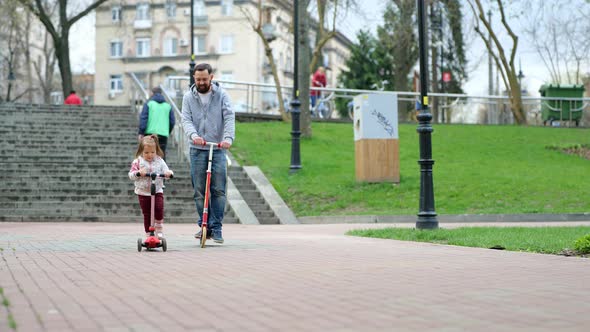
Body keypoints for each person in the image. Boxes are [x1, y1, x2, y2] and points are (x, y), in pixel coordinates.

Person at [181, 63, 235, 244]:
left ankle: (216, 227)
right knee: (199, 191)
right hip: (197, 149)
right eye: (198, 79)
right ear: (194, 78)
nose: (201, 82)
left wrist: (228, 138)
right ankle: (204, 225)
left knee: (218, 190)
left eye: (204, 79)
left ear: (211, 77)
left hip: (218, 148)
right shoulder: (189, 97)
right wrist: (193, 135)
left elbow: (229, 117)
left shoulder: (222, 95)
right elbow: (186, 119)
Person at [128, 135, 173, 238]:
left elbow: (166, 170)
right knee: (147, 213)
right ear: (141, 151)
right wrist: (138, 173)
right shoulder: (138, 161)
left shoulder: (159, 160)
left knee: (159, 207)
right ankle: (148, 233)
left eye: (152, 152)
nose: (150, 155)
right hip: (143, 191)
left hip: (157, 190)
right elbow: (131, 174)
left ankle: (159, 228)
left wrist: (168, 174)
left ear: (156, 150)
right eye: (146, 153)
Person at [138, 87, 175, 159]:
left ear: (152, 93)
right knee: (161, 156)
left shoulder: (149, 104)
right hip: (163, 134)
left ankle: (148, 170)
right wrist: (167, 131)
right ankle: (162, 170)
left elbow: (144, 118)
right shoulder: (168, 106)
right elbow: (172, 122)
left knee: (148, 155)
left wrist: (141, 132)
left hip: (149, 134)